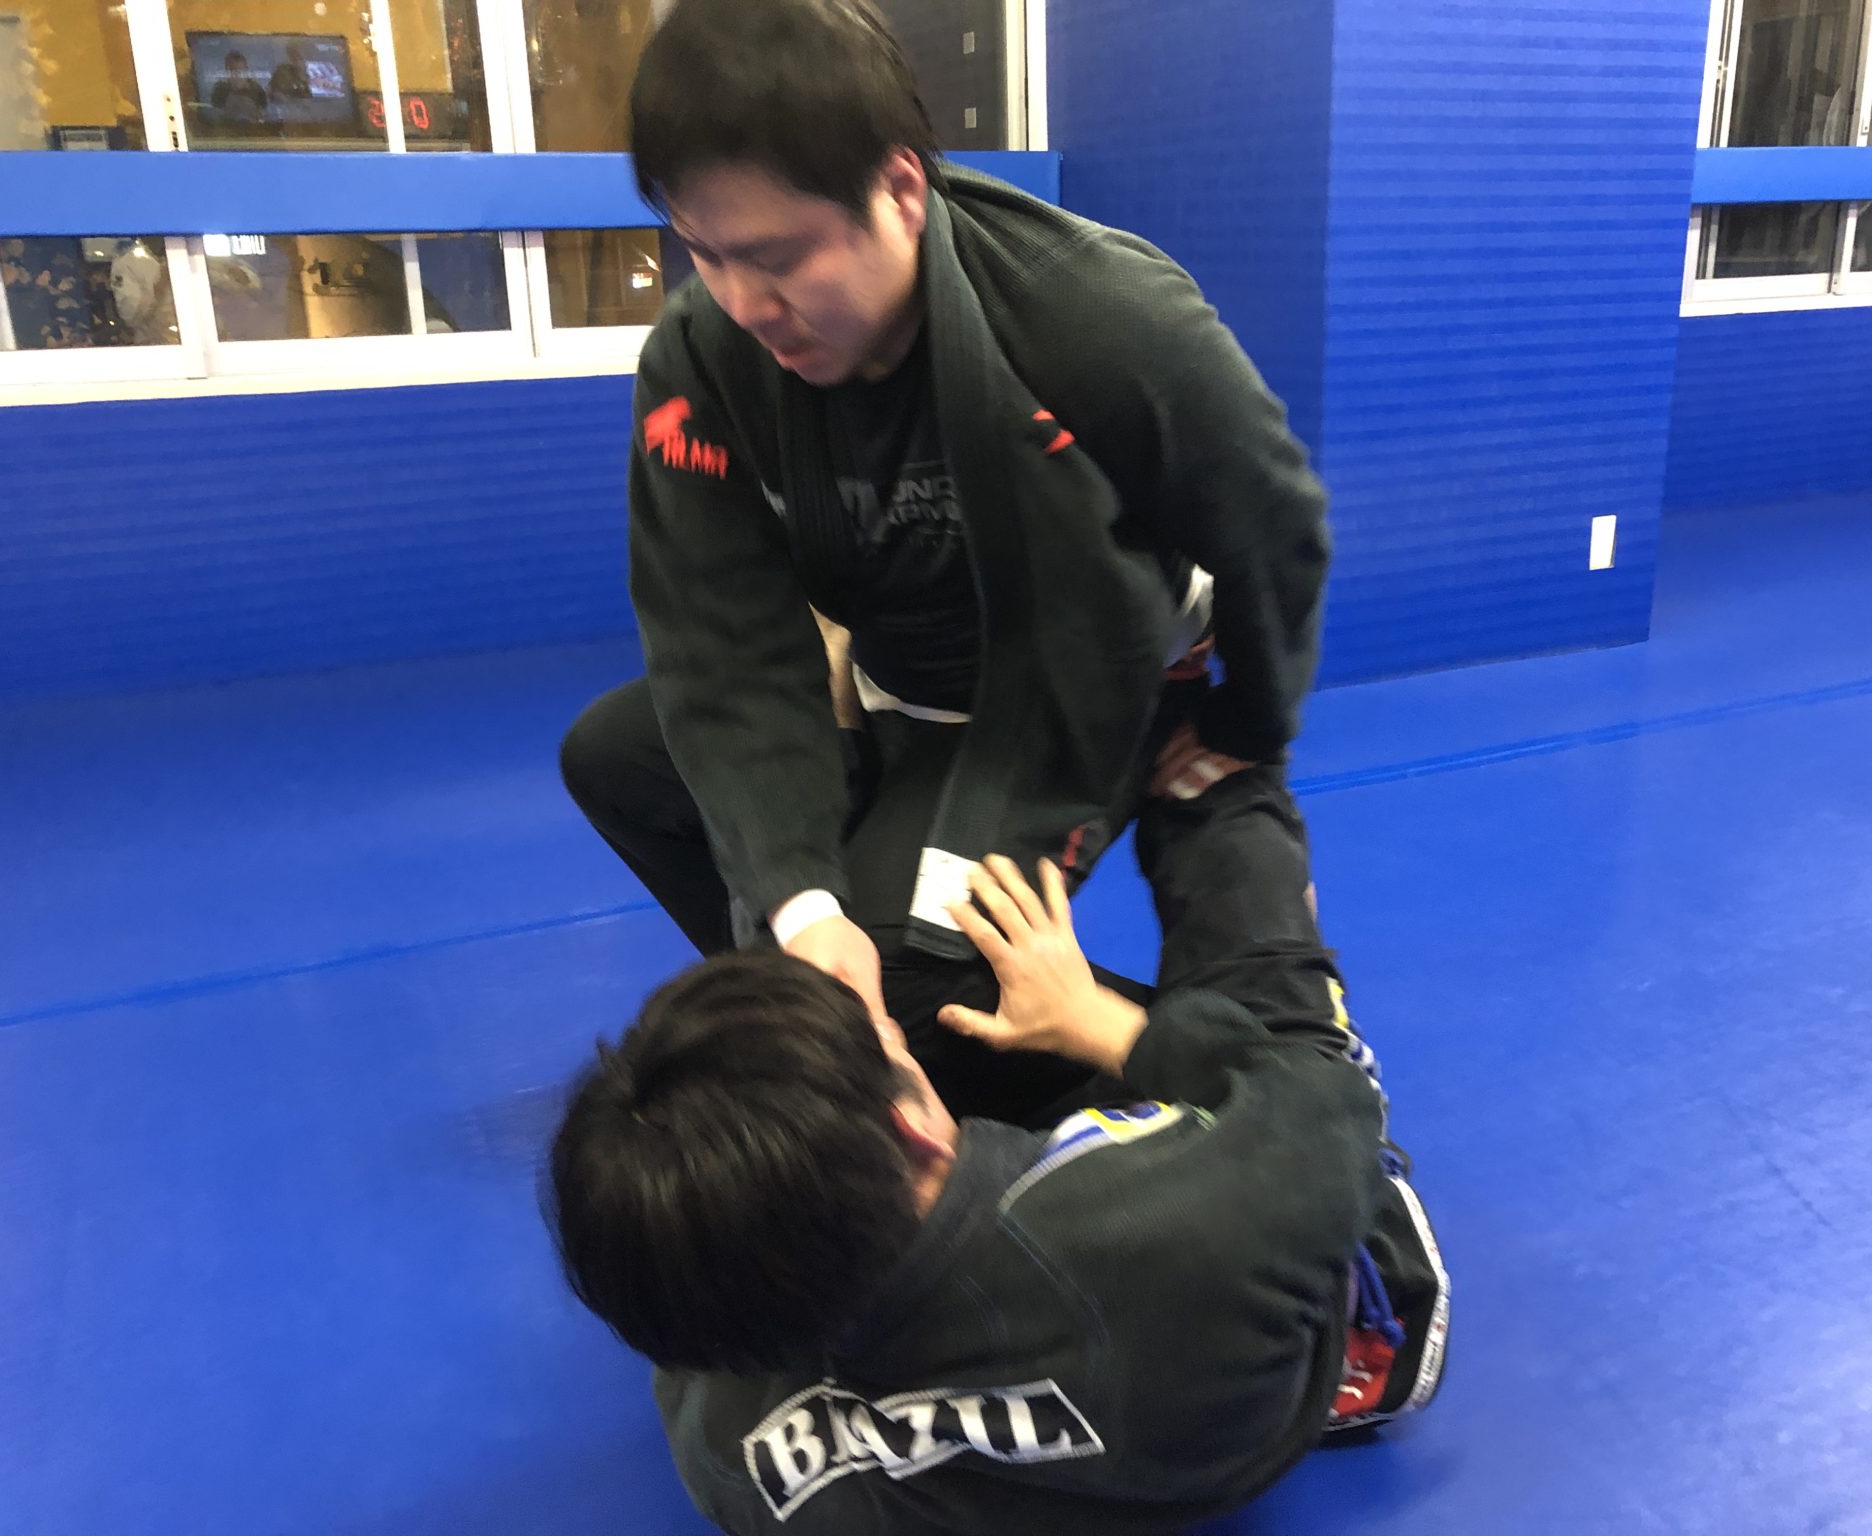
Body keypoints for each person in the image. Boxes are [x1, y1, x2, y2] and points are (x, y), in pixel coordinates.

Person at [559, 0, 1331, 1049]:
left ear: (901, 190)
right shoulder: (701, 361)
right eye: (705, 254)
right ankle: (839, 1021)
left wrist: (1246, 728)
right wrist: (803, 910)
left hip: (1085, 690)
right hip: (902, 687)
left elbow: (1272, 523)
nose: (743, 302)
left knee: (910, 980)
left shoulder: (1096, 315)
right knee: (620, 762)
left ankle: (1246, 1072)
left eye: (777, 258)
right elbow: (719, 644)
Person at [547, 770, 1449, 1533]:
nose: (891, 1035)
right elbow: (1325, 1106)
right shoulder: (1159, 1220)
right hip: (1254, 1373)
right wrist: (1104, 1025)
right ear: (911, 1129)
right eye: (886, 1044)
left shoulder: (728, 1458)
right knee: (1272, 1008)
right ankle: (1216, 779)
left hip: (1069, 1416)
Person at [208, 52, 267, 122]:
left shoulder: (257, 90)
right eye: (230, 71)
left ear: (246, 70)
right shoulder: (220, 90)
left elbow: (262, 118)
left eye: (239, 71)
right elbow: (215, 117)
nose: (235, 75)